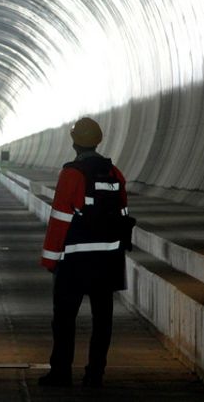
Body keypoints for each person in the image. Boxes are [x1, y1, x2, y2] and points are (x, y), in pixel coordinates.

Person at [37, 117, 132, 389]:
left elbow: (60, 219)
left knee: (65, 320)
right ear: (98, 141)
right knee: (103, 321)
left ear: (74, 142)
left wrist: (50, 259)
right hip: (108, 262)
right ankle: (94, 375)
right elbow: (123, 213)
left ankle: (61, 373)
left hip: (75, 262)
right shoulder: (115, 174)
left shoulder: (72, 174)